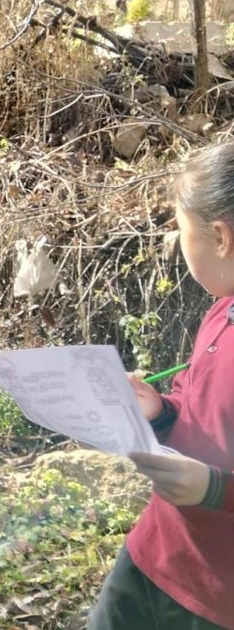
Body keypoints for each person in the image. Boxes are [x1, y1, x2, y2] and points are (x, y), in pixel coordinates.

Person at [88, 141, 234, 630]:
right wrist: (160, 410)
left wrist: (214, 489)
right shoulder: (223, 310)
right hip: (155, 551)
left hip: (217, 598)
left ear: (220, 237)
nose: (178, 240)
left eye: (180, 227)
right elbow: (202, 409)